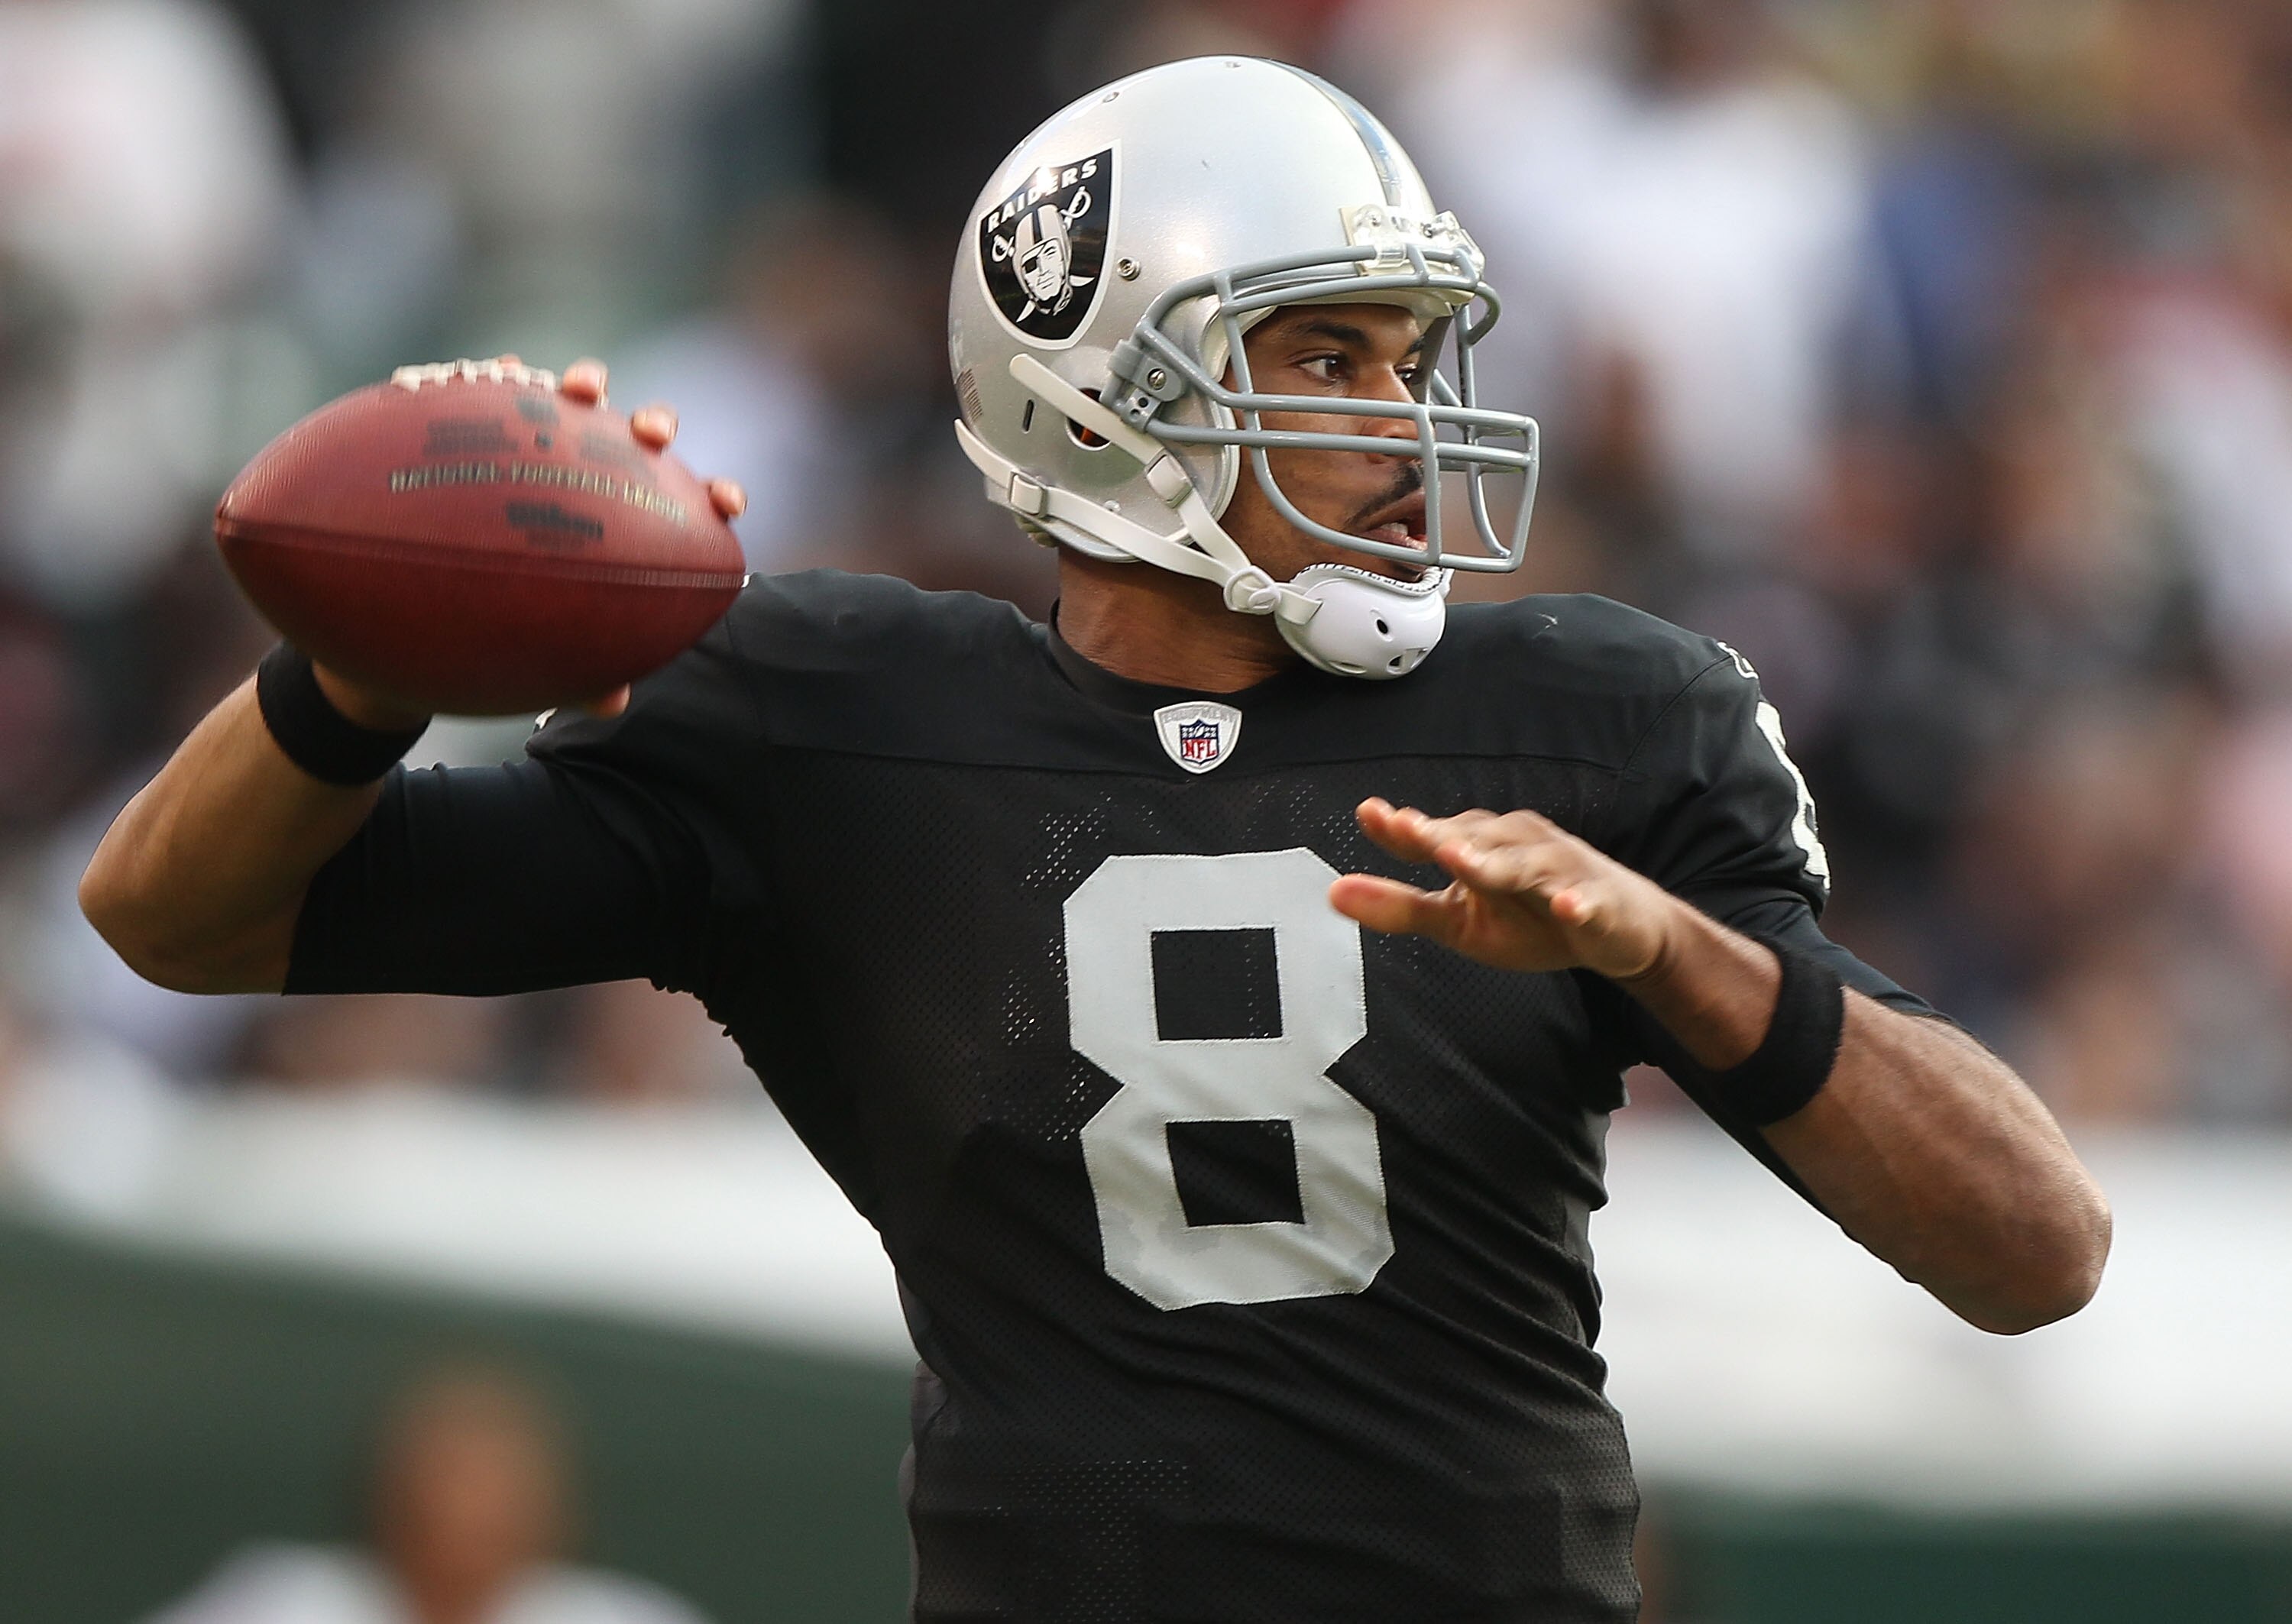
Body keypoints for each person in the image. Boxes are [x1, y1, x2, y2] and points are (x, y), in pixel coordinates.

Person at [83, 57, 2109, 1624]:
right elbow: (177, 917)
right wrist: (354, 672)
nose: (1402, 425)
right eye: (1326, 355)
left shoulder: (1606, 713)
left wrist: (1675, 951)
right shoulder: (833, 720)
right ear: (1098, 395)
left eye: (1412, 358)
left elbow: (2038, 1246)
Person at [141, 1361, 712, 1624]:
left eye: (502, 1484)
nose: (470, 1509)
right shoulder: (283, 1602)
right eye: (449, 1474)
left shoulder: (618, 1617)